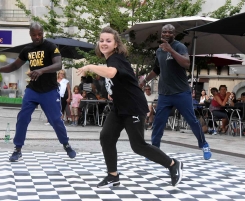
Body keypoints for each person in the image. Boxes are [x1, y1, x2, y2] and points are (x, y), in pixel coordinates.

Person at [76, 26, 183, 188]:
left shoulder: (116, 58)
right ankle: (113, 176)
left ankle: (173, 164)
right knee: (106, 136)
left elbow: (111, 73)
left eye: (108, 41)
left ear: (116, 44)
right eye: (101, 40)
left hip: (133, 107)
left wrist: (90, 66)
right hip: (120, 107)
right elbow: (117, 79)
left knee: (138, 146)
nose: (104, 43)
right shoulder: (111, 58)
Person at [0, 22, 76, 161]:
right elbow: (15, 65)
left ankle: (66, 144)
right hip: (32, 90)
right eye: (34, 35)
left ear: (43, 33)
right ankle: (17, 149)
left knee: (55, 120)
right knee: (22, 118)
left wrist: (41, 70)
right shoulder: (27, 49)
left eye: (39, 34)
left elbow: (58, 64)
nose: (37, 37)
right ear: (30, 35)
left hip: (49, 90)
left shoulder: (51, 47)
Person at [139, 24, 211, 160]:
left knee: (192, 120)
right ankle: (154, 150)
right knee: (158, 122)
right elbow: (157, 69)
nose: (166, 34)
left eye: (169, 32)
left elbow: (186, 64)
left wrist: (171, 50)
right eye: (164, 32)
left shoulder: (179, 47)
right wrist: (144, 81)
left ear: (174, 34)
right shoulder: (159, 51)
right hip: (164, 93)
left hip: (181, 92)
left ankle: (204, 144)